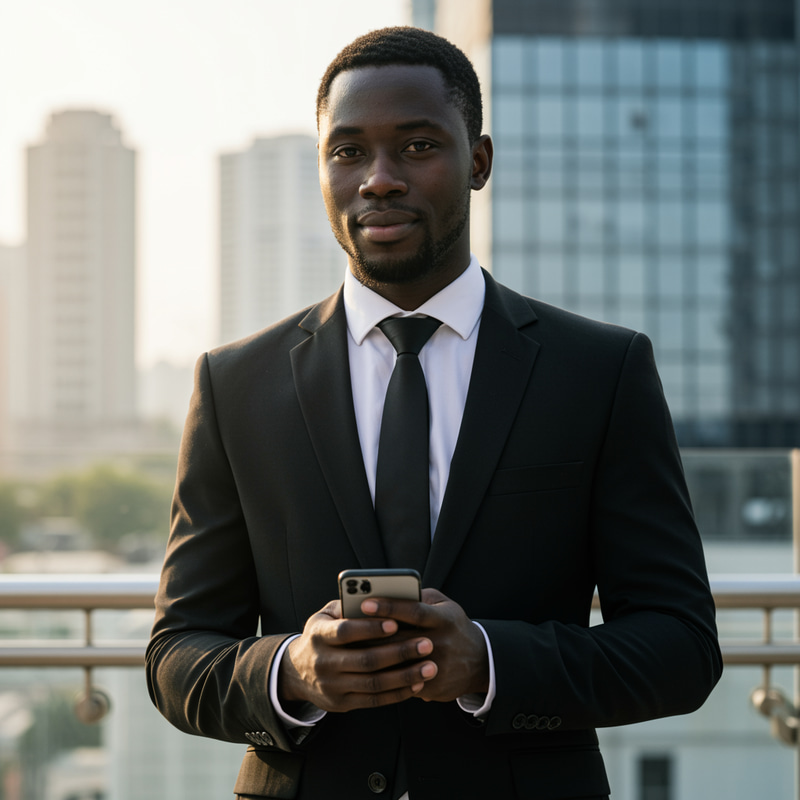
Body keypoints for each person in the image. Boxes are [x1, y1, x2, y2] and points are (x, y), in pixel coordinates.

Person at [146, 26, 722, 800]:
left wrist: (488, 661)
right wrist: (291, 672)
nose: (377, 180)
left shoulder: (600, 372)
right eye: (347, 152)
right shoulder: (234, 384)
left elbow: (681, 647)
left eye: (417, 147)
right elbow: (177, 654)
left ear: (478, 161)